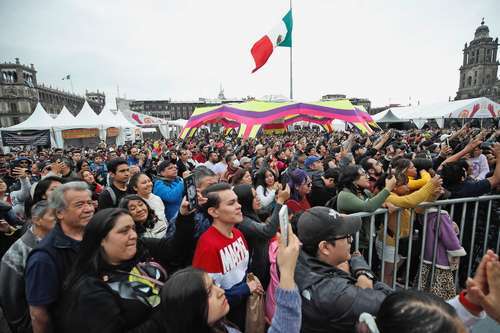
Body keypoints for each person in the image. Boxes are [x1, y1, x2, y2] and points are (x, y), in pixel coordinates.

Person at [56, 202, 196, 333]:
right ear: (101, 240)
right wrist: (170, 312)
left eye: (133, 228)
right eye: (124, 231)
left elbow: (175, 249)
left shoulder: (140, 250)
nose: (134, 235)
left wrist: (185, 217)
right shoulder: (90, 291)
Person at [159, 223, 302, 333]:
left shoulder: (237, 233)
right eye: (209, 292)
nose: (220, 291)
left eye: (214, 284)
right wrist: (287, 273)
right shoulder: (208, 245)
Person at [294, 206, 392, 333]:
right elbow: (391, 303)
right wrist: (362, 270)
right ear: (325, 247)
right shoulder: (335, 293)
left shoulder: (297, 260)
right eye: (347, 237)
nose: (350, 241)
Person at [25, 182, 95, 333]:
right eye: (79, 205)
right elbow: (39, 315)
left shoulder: (96, 236)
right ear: (59, 213)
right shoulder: (43, 258)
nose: (89, 209)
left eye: (90, 202)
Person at [192, 183, 264, 329]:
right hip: (227, 317)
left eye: (237, 201)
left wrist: (251, 280)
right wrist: (246, 288)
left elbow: (243, 268)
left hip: (244, 305)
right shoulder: (208, 246)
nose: (239, 206)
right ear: (214, 212)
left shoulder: (238, 233)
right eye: (231, 203)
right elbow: (208, 299)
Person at [0, 201, 55, 333]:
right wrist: (26, 327)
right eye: (54, 216)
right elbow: (11, 299)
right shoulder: (18, 253)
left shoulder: (57, 241)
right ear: (37, 220)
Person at [233, 183, 290, 289]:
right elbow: (268, 231)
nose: (258, 198)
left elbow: (266, 211)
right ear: (245, 201)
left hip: (263, 263)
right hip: (257, 271)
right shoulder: (244, 222)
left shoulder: (251, 213)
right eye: (254, 197)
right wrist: (280, 201)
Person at [336, 165, 396, 255]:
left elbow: (375, 203)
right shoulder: (344, 195)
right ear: (353, 179)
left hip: (367, 240)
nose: (368, 177)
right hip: (354, 245)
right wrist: (387, 189)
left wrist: (384, 204)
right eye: (363, 174)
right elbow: (368, 207)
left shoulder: (365, 193)